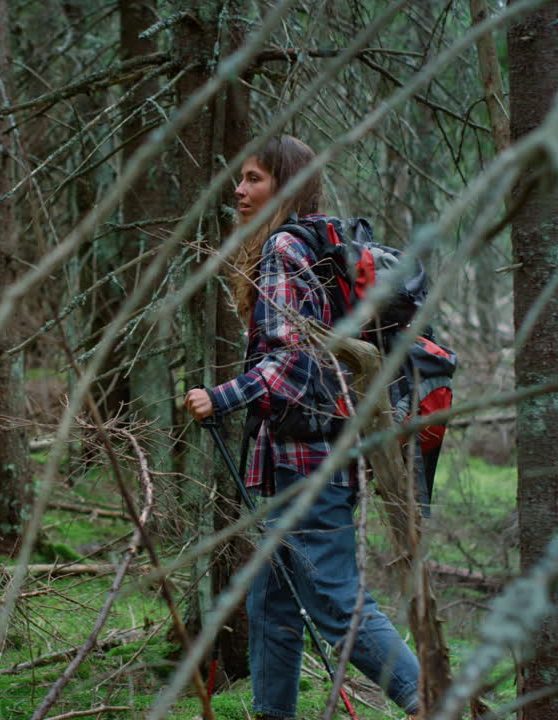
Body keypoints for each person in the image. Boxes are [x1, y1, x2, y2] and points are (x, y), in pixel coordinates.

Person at [184, 135, 421, 720]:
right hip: (298, 454)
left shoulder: (286, 247)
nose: (239, 191)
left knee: (337, 603)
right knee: (272, 608)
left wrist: (222, 397)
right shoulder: (310, 245)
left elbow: (295, 361)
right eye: (240, 179)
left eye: (256, 179)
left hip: (308, 462)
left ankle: (431, 699)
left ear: (286, 186)